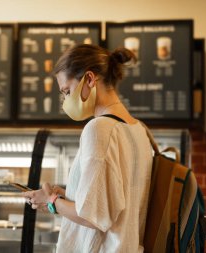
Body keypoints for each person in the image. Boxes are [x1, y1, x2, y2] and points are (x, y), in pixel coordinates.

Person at [23, 44, 153, 252]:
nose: (66, 101)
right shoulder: (139, 129)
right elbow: (115, 201)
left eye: (67, 91)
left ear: (90, 79)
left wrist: (51, 200)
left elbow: (93, 216)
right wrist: (68, 194)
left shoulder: (99, 128)